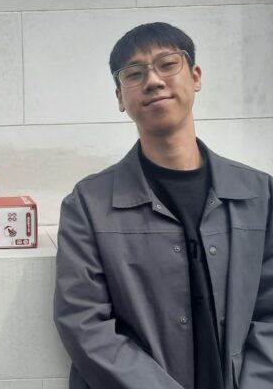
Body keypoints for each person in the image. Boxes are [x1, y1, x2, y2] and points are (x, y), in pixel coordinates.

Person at [53, 22, 273, 388]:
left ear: (195, 76)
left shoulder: (259, 194)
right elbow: (84, 324)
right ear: (120, 98)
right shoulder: (88, 205)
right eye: (134, 74)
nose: (153, 81)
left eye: (167, 64)